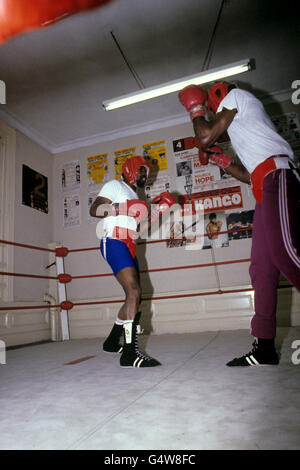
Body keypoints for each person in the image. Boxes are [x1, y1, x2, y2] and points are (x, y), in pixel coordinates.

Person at [179, 81, 300, 367]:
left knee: (286, 252)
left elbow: (206, 136)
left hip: (278, 177)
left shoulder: (235, 96)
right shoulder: (242, 124)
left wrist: (195, 108)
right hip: (263, 185)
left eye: (209, 105)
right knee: (262, 269)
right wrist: (221, 161)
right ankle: (265, 348)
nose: (211, 110)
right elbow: (248, 176)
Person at [90, 155, 176, 368]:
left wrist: (157, 213)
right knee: (134, 291)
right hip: (113, 240)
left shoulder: (135, 195)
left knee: (134, 296)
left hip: (129, 242)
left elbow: (140, 229)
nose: (144, 176)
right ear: (130, 169)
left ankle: (112, 341)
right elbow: (95, 209)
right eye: (141, 171)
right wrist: (124, 208)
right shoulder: (115, 185)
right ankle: (130, 353)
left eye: (146, 174)